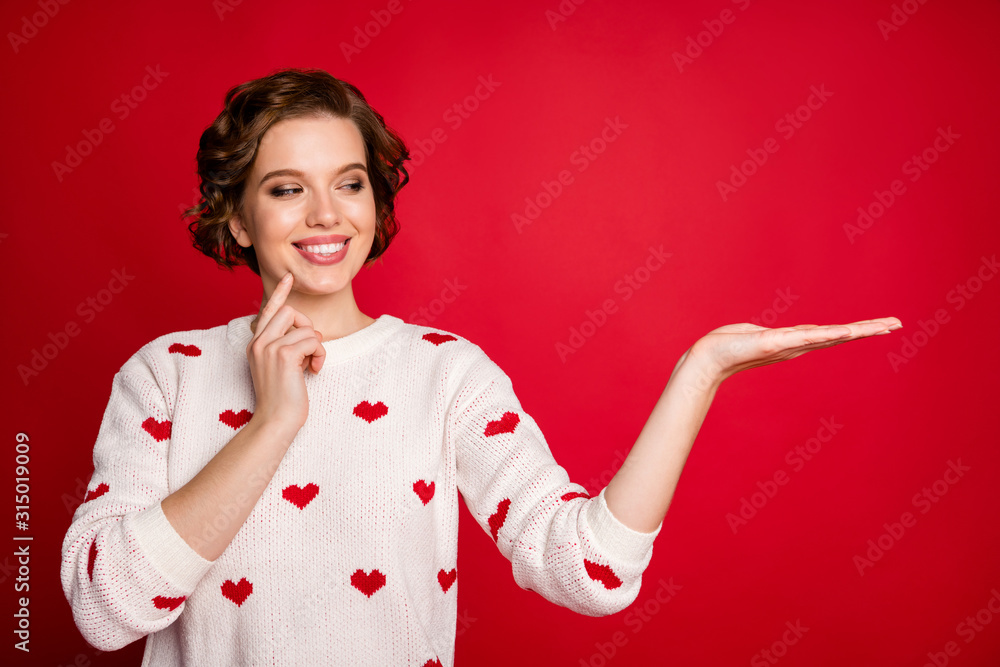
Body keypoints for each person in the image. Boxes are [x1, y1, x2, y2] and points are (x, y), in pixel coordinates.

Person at [60, 67, 901, 666]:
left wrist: (700, 370)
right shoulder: (164, 373)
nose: (325, 213)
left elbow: (590, 570)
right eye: (285, 188)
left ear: (374, 202)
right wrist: (275, 422)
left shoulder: (445, 374)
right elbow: (105, 611)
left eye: (348, 183)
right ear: (237, 219)